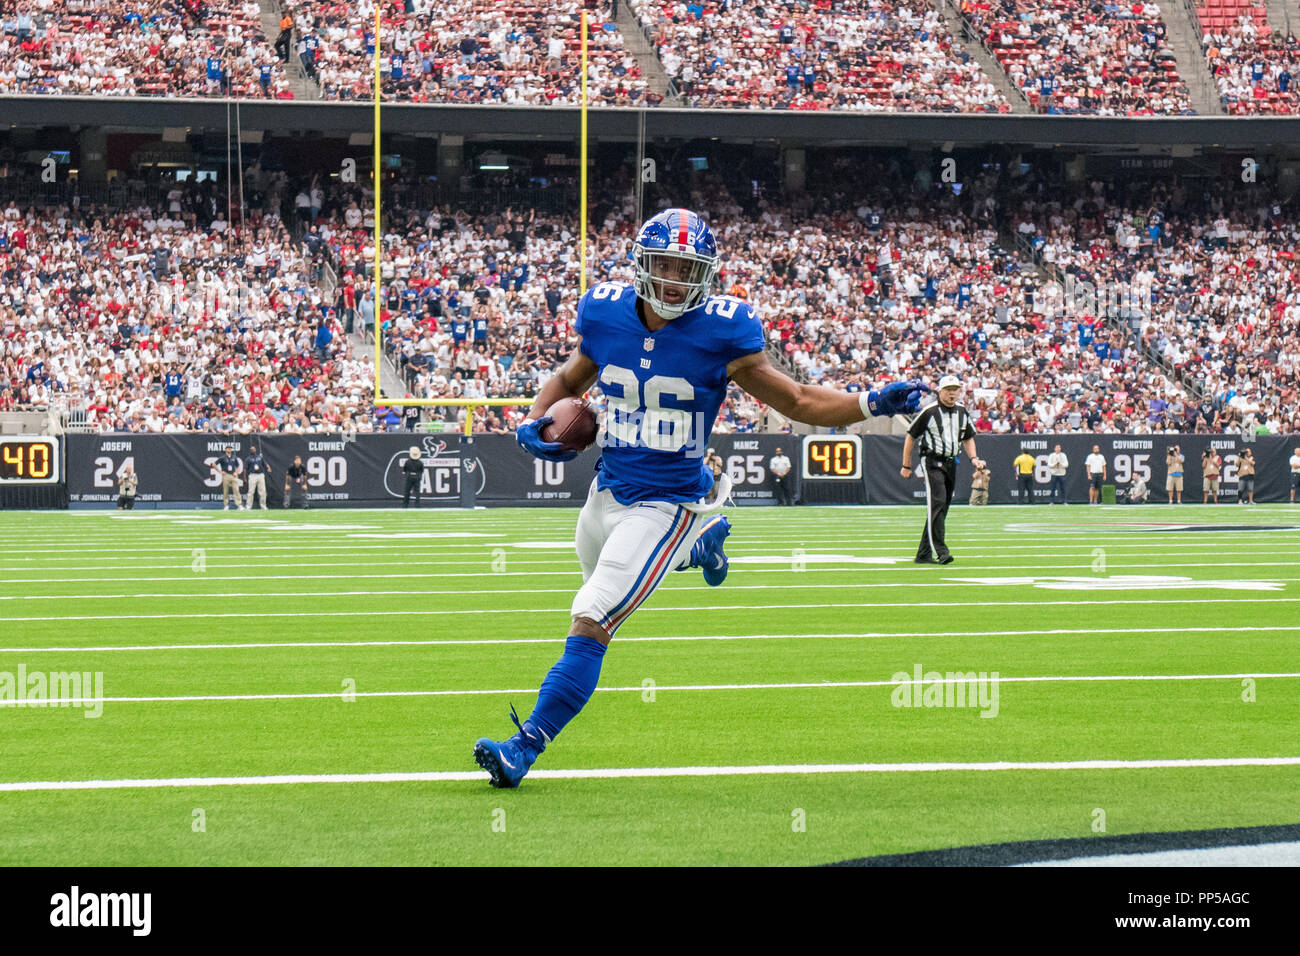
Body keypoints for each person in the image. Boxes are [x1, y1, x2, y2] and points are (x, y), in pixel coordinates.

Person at [472, 207, 929, 788]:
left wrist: (871, 402)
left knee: (592, 617)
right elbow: (568, 382)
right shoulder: (606, 312)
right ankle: (701, 547)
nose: (673, 280)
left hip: (667, 502)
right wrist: (533, 423)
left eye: (686, 269)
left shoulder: (723, 329)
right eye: (663, 265)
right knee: (596, 590)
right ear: (641, 263)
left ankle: (524, 746)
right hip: (606, 490)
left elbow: (796, 401)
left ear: (706, 273)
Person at [900, 375, 983, 565]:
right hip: (932, 460)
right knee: (937, 502)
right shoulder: (929, 412)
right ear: (940, 391)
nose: (952, 393)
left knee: (942, 507)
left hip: (951, 461)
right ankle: (942, 551)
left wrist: (974, 459)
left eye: (955, 389)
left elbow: (968, 437)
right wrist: (906, 465)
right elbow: (910, 436)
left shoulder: (962, 411)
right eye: (948, 389)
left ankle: (923, 553)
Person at [213, 445, 243, 511]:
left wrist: (236, 473)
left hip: (233, 475)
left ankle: (239, 505)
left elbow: (238, 466)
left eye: (230, 448)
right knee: (226, 490)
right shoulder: (222, 457)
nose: (229, 450)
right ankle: (226, 505)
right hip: (226, 475)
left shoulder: (234, 457)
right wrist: (220, 471)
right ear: (225, 449)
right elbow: (214, 464)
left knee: (236, 490)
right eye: (228, 448)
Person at [244, 444, 271, 510]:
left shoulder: (260, 457)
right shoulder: (248, 459)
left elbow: (265, 463)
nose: (252, 450)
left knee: (262, 491)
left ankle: (263, 506)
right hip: (252, 475)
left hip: (260, 475)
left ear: (255, 450)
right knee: (251, 491)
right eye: (251, 449)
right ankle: (248, 506)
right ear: (250, 451)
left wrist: (268, 467)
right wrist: (244, 478)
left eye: (253, 449)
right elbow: (245, 469)